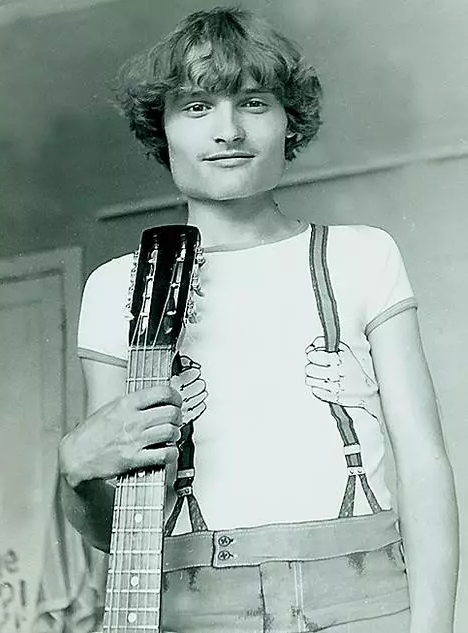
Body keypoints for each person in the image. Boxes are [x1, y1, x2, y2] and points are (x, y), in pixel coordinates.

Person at [58, 7, 459, 633]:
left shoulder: (361, 256)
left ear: (288, 123)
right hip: (195, 604)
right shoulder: (117, 289)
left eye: (253, 102)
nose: (227, 130)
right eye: (196, 106)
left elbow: (424, 463)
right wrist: (76, 472)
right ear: (159, 129)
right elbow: (122, 530)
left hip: (364, 596)